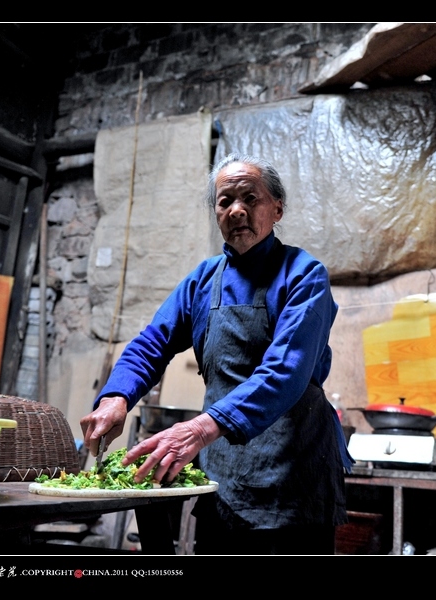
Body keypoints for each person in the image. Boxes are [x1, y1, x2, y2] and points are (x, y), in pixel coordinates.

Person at [80, 153, 351, 554]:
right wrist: (116, 397)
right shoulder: (203, 280)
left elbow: (284, 373)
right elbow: (152, 344)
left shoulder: (303, 274)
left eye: (250, 198)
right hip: (224, 470)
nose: (237, 210)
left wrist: (198, 429)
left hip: (295, 473)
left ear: (276, 209)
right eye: (225, 201)